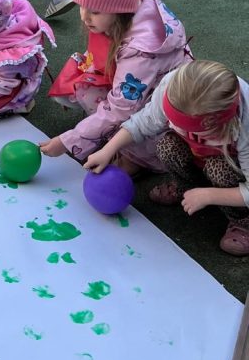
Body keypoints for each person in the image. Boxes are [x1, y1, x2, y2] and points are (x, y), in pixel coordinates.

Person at [40, 0, 191, 171]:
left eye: (95, 11)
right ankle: (118, 143)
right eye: (82, 6)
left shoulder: (141, 51)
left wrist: (68, 141)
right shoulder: (130, 8)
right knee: (83, 84)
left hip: (164, 121)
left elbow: (121, 109)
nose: (84, 16)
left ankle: (139, 158)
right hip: (143, 92)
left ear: (119, 10)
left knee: (95, 97)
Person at [86, 61, 249, 256]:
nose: (174, 126)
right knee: (167, 145)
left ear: (217, 124)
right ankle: (186, 188)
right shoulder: (174, 87)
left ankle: (242, 221)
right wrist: (108, 150)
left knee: (219, 168)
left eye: (187, 128)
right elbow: (143, 123)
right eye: (173, 122)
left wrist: (208, 195)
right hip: (201, 153)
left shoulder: (244, 124)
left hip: (232, 166)